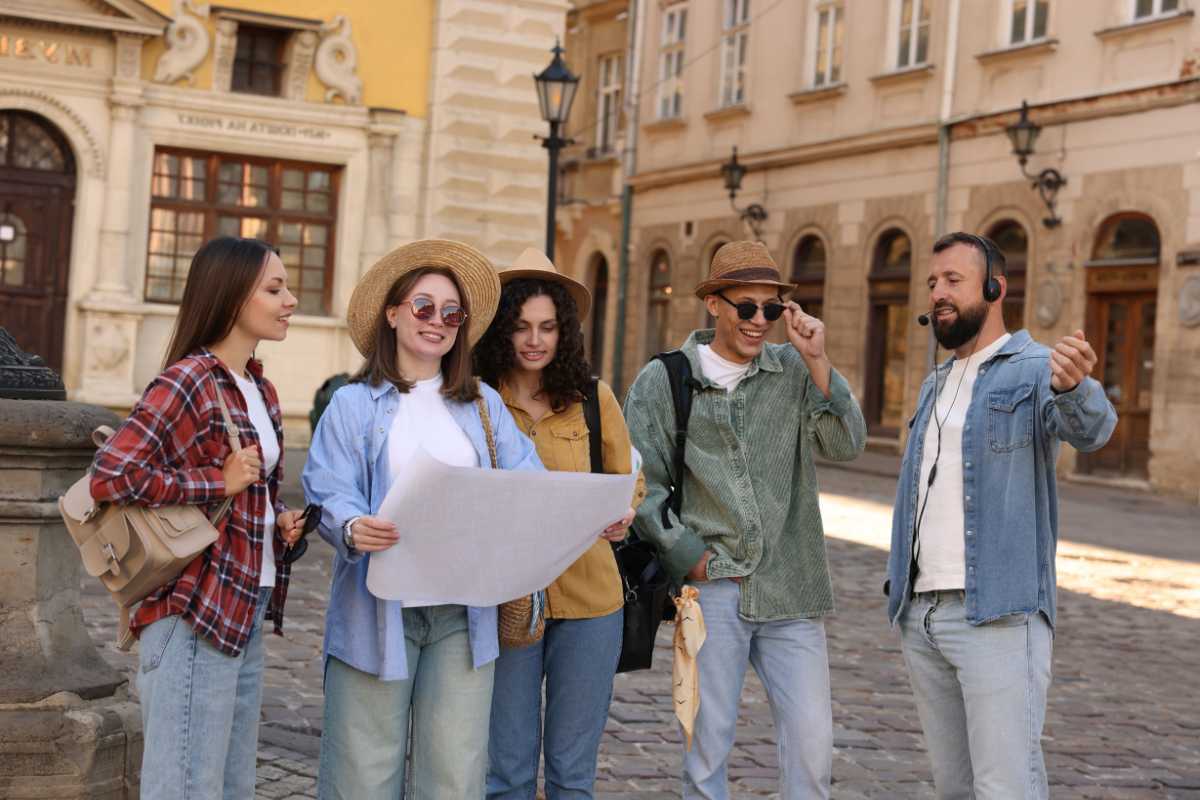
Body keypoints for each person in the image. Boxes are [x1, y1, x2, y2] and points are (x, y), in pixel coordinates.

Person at [623, 240, 867, 800]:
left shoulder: (791, 372)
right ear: (714, 303)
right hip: (714, 593)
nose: (761, 321)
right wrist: (691, 558)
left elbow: (847, 441)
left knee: (812, 746)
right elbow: (642, 484)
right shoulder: (665, 379)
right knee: (707, 747)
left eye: (773, 309)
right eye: (747, 307)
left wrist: (817, 358)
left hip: (791, 586)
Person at [302, 239, 543, 799]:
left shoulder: (482, 403)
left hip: (464, 614)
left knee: (454, 778)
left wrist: (588, 515)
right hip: (375, 608)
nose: (438, 322)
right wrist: (352, 525)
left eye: (451, 313)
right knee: (362, 775)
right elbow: (327, 488)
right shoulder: (353, 404)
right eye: (424, 307)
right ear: (392, 314)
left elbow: (528, 481)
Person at [885, 232, 1117, 799]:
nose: (938, 293)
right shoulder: (935, 383)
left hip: (998, 615)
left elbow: (1093, 430)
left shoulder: (1036, 367)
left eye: (954, 281)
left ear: (994, 289)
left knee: (1005, 788)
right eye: (933, 282)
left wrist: (1077, 386)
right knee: (954, 788)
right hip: (922, 616)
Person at [90, 236, 306, 799]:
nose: (291, 301)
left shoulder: (260, 387)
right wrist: (219, 480)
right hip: (191, 611)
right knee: (186, 787)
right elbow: (112, 475)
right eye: (275, 288)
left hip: (244, 605)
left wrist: (276, 519)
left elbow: (247, 487)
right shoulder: (188, 379)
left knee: (231, 786)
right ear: (233, 297)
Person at [474, 248, 645, 800]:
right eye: (522, 326)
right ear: (502, 329)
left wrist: (625, 512)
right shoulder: (477, 400)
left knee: (573, 776)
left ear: (563, 332)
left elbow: (629, 478)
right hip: (509, 601)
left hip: (592, 603)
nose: (534, 340)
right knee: (507, 774)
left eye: (547, 327)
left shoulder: (593, 399)